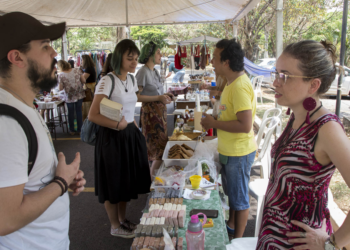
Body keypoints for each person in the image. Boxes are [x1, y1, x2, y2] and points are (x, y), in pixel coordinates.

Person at [0, 12, 86, 249]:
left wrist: (58, 180)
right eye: (46, 46)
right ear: (17, 57)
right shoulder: (6, 123)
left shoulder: (22, 105)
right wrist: (60, 182)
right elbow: (5, 219)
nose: (55, 53)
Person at [256, 40, 350, 249]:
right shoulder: (297, 117)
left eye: (285, 76)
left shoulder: (326, 128)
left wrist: (332, 243)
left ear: (313, 85)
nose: (275, 83)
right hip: (273, 236)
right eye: (276, 73)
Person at [89, 39, 151, 238]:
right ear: (119, 58)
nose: (135, 62)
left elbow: (129, 106)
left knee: (126, 182)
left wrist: (134, 127)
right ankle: (114, 225)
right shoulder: (107, 80)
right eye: (129, 58)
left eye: (136, 58)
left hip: (129, 135)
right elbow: (93, 115)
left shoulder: (131, 80)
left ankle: (123, 220)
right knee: (112, 182)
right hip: (111, 138)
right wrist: (118, 125)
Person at [201, 39, 257, 238]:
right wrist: (215, 119)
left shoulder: (240, 86)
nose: (212, 61)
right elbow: (229, 115)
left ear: (226, 62)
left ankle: (238, 241)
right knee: (233, 196)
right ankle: (231, 226)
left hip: (238, 153)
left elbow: (245, 124)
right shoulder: (232, 83)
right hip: (229, 151)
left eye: (215, 58)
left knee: (240, 201)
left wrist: (214, 124)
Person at [136, 42, 174, 178]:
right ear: (150, 55)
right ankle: (152, 182)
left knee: (160, 150)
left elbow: (157, 92)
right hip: (151, 117)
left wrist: (166, 96)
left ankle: (153, 181)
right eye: (158, 52)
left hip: (159, 115)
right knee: (158, 152)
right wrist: (158, 97)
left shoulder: (154, 71)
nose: (161, 55)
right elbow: (136, 97)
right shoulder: (143, 72)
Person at [57, 60, 86, 135]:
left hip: (69, 96)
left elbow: (60, 88)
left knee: (70, 113)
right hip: (79, 94)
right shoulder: (77, 70)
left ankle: (72, 130)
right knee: (79, 111)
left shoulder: (61, 75)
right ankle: (80, 129)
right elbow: (83, 80)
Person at [81, 54, 96, 121]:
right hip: (91, 87)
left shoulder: (88, 69)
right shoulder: (91, 68)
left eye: (82, 60)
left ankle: (88, 121)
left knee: (87, 106)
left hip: (89, 88)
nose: (81, 61)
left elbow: (83, 79)